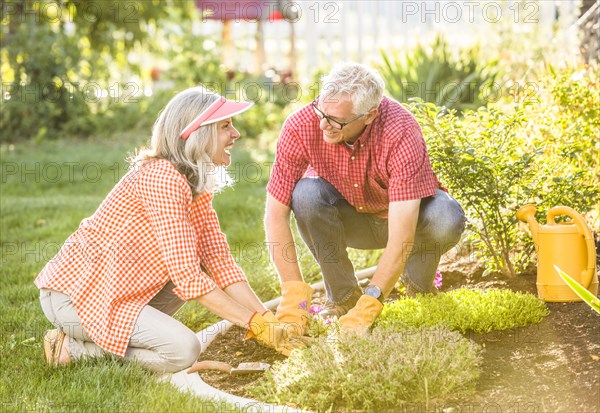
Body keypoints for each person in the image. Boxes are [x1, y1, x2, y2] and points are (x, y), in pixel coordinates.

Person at [36, 86, 305, 373]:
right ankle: (71, 349)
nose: (236, 134)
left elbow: (219, 262)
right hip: (76, 298)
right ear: (197, 134)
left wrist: (266, 319)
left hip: (118, 291)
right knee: (182, 351)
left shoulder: (193, 185)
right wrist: (254, 324)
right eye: (226, 126)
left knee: (199, 264)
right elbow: (188, 279)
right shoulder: (163, 178)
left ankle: (99, 341)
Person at [265, 62, 466, 335]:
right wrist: (293, 299)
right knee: (306, 195)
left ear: (369, 115)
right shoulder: (301, 125)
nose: (323, 124)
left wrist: (371, 302)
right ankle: (344, 298)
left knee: (445, 217)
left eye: (336, 120)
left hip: (404, 224)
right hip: (351, 220)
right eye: (321, 110)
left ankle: (418, 286)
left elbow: (401, 235)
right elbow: (275, 216)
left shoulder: (400, 130)